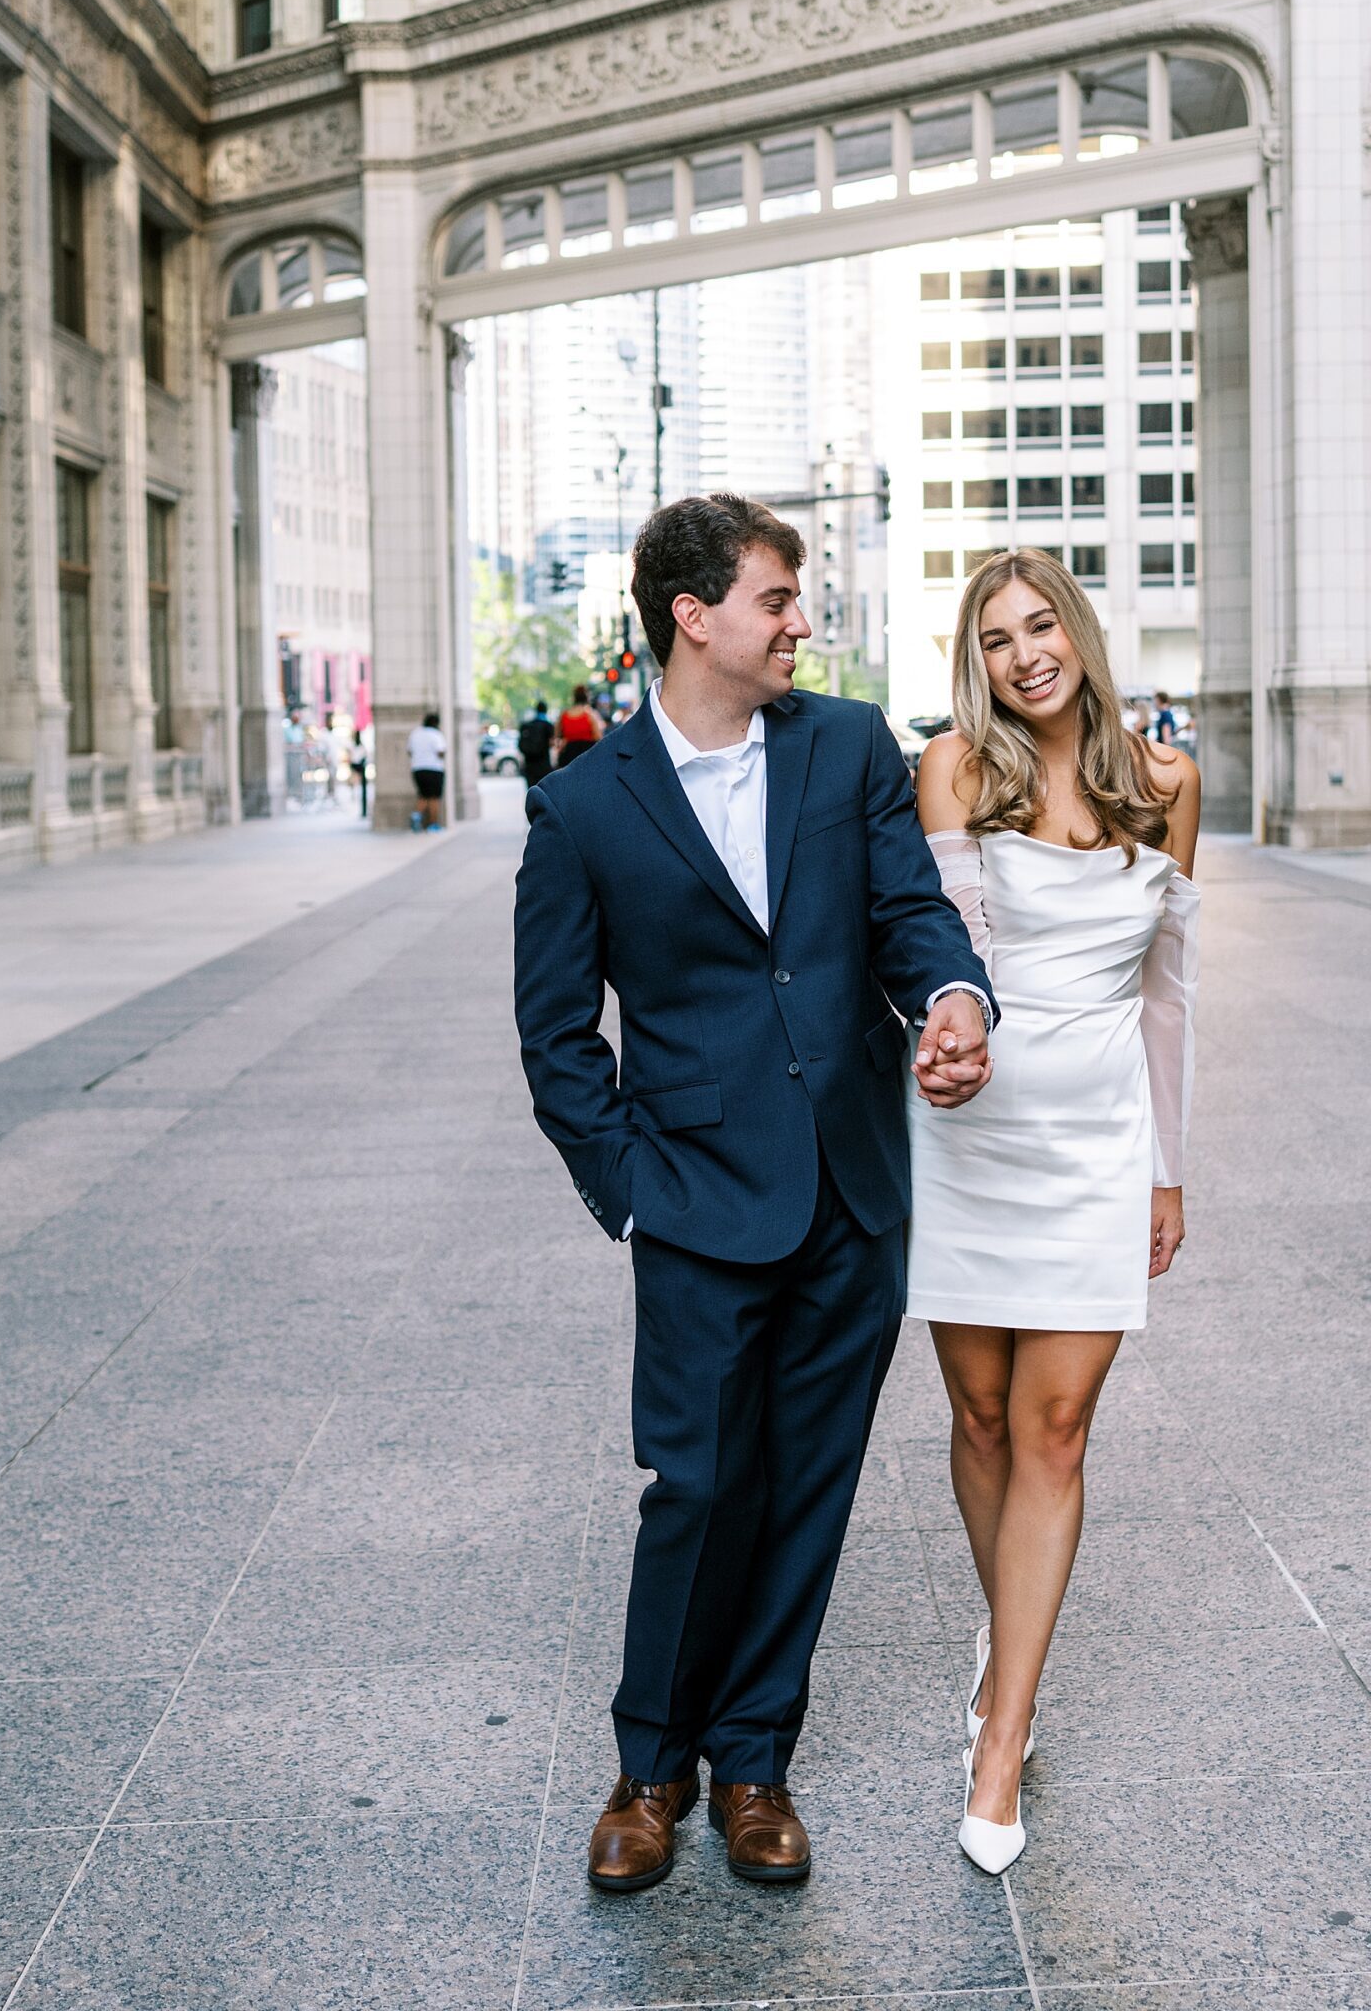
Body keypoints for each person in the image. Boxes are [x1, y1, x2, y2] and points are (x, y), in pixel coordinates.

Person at [514, 494, 996, 1897]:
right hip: (696, 1205)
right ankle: (649, 1768)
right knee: (701, 1483)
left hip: (853, 1190)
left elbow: (908, 911)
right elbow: (556, 1035)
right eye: (778, 598)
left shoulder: (847, 746)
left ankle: (755, 1764)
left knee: (809, 1488)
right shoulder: (585, 804)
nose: (800, 622)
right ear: (696, 616)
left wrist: (955, 1001)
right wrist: (634, 1191)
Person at [907, 547, 1199, 1875]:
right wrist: (936, 1040)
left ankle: (1003, 1733)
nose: (1026, 653)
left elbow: (1170, 994)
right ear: (978, 662)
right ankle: (1004, 1630)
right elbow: (940, 957)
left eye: (1042, 626)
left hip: (1097, 1147)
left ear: (1077, 631)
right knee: (978, 1417)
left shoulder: (1168, 787)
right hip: (971, 1143)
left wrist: (1169, 1167)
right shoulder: (958, 773)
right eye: (998, 637)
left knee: (1056, 1429)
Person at [407, 710, 446, 830]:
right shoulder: (436, 734)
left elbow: (409, 751)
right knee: (434, 798)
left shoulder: (415, 733)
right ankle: (433, 825)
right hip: (434, 769)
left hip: (417, 769)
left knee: (423, 796)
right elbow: (440, 752)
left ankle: (416, 816)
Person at [554, 684, 603, 769]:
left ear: (574, 697)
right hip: (587, 757)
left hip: (568, 758)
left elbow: (556, 736)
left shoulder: (564, 715)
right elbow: (598, 737)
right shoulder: (590, 714)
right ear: (587, 697)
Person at [516, 699, 555, 789]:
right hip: (543, 763)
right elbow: (552, 743)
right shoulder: (548, 725)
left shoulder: (526, 725)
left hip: (529, 764)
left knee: (531, 790)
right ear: (546, 710)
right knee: (544, 790)